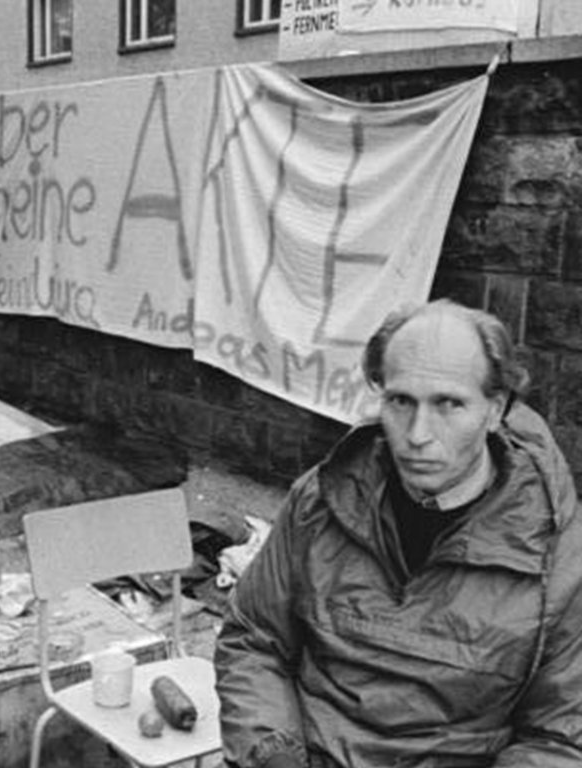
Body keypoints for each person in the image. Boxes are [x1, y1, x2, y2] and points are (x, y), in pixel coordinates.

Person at [215, 299, 582, 768]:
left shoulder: (557, 551)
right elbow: (253, 640)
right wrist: (273, 757)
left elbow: (560, 736)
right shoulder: (319, 499)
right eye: (400, 401)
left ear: (495, 410)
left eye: (448, 404)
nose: (417, 434)